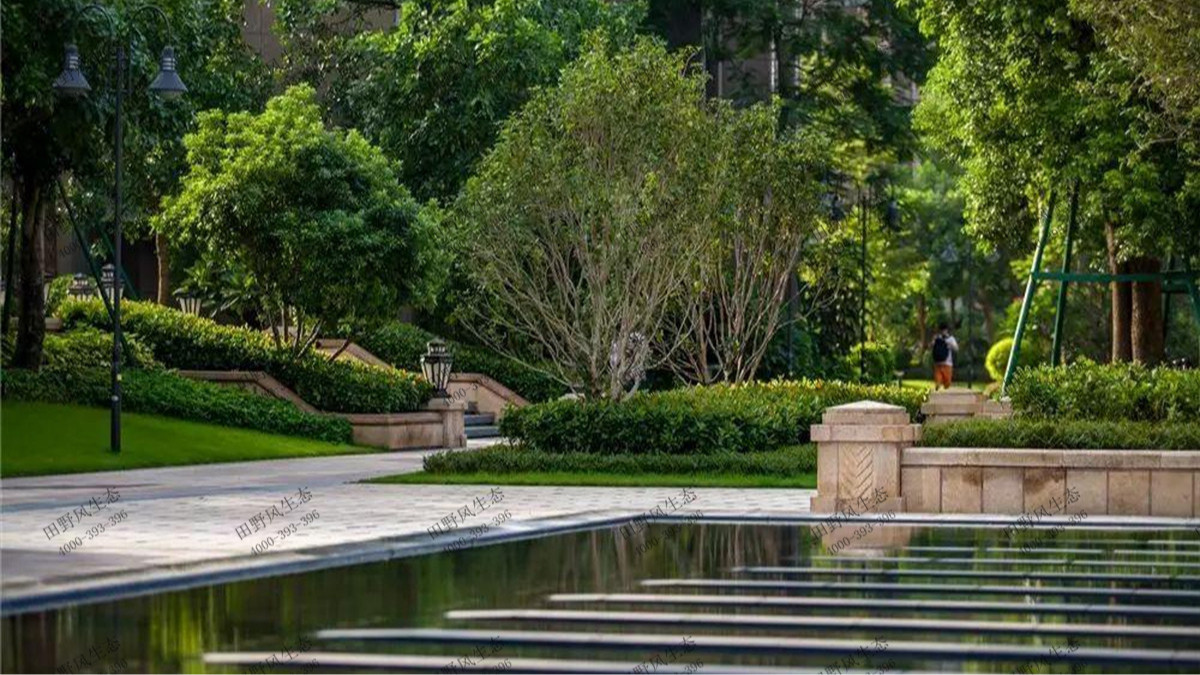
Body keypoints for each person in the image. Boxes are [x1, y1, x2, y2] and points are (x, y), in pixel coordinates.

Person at [931, 323, 959, 390]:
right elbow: (956, 349)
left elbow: (931, 346)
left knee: (947, 383)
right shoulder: (950, 339)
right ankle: (938, 390)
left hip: (939, 362)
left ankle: (940, 389)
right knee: (944, 382)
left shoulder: (948, 339)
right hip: (945, 363)